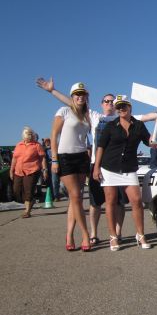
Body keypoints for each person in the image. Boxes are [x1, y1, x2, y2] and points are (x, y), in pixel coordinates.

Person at [37, 77, 157, 245]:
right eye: (107, 101)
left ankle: (117, 234)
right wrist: (52, 90)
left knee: (118, 202)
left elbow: (148, 116)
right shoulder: (94, 116)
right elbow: (74, 103)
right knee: (94, 202)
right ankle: (93, 234)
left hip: (118, 166)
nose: (111, 104)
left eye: (113, 101)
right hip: (98, 164)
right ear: (102, 104)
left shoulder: (127, 117)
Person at [93, 95, 156, 251]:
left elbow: (148, 141)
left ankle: (140, 234)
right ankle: (113, 236)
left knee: (136, 200)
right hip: (109, 167)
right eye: (118, 107)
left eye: (124, 106)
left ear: (130, 108)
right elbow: (101, 147)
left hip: (129, 168)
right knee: (111, 201)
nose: (121, 109)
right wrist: (96, 167)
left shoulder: (139, 125)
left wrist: (153, 142)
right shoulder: (110, 126)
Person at [50, 82, 93, 251]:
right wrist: (54, 159)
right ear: (72, 96)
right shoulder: (64, 111)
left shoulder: (86, 115)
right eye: (77, 94)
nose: (80, 96)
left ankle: (69, 234)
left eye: (83, 94)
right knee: (76, 197)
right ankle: (85, 235)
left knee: (75, 199)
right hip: (65, 157)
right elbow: (54, 134)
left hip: (82, 157)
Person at [10, 127, 48, 218]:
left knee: (28, 190)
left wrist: (44, 170)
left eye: (31, 135)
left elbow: (42, 158)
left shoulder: (37, 145)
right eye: (28, 135)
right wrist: (11, 170)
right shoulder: (18, 145)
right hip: (18, 171)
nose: (29, 137)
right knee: (16, 190)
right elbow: (14, 159)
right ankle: (30, 200)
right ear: (23, 136)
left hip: (32, 170)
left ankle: (27, 211)